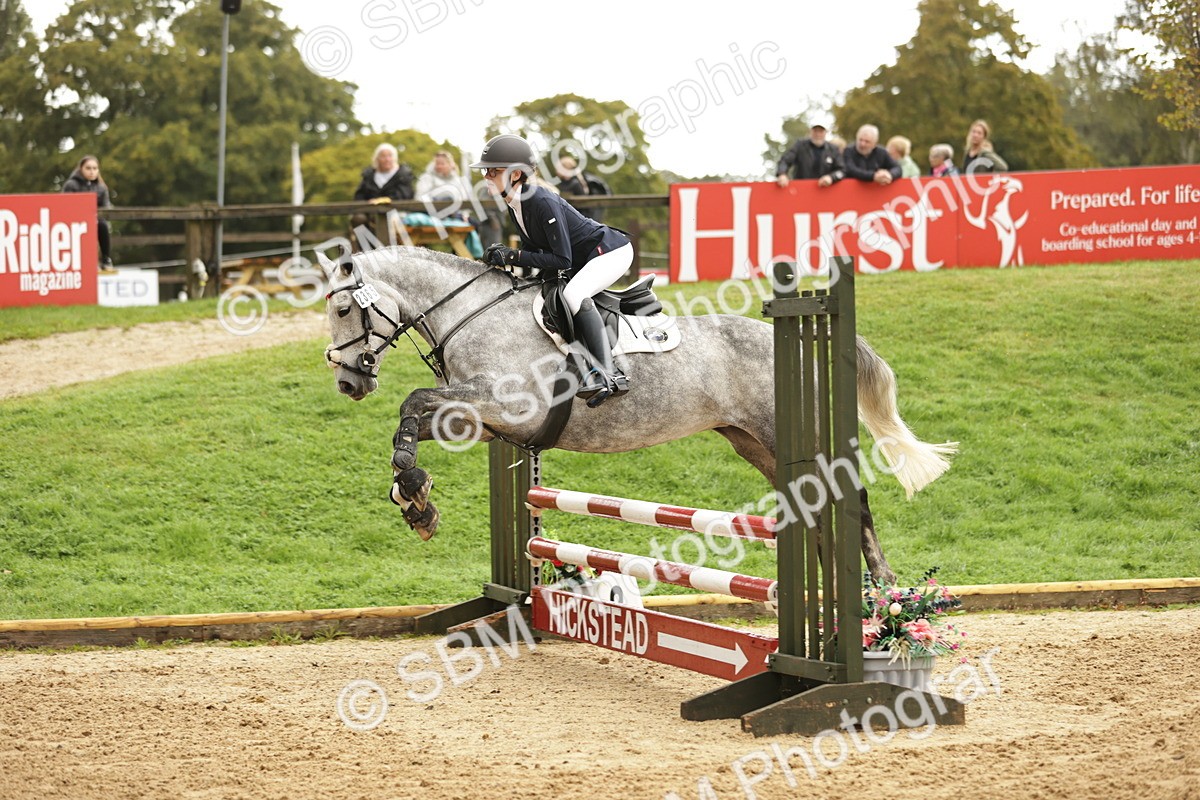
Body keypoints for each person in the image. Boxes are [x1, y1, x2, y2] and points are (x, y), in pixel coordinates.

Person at [472, 134, 631, 407]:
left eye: (493, 171)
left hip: (611, 252)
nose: (486, 175)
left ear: (516, 174)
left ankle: (609, 373)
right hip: (587, 257)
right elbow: (533, 248)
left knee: (574, 295)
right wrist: (504, 259)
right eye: (486, 170)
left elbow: (561, 260)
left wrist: (512, 254)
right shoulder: (515, 202)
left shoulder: (541, 200)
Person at [350, 143, 414, 246]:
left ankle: (387, 252)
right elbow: (359, 195)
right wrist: (367, 205)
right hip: (370, 212)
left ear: (394, 158)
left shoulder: (403, 175)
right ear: (377, 159)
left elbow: (404, 195)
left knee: (385, 219)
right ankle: (365, 250)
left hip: (396, 212)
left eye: (389, 156)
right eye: (383, 156)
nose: (387, 159)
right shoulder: (369, 176)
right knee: (358, 218)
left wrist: (381, 201)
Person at [61, 155, 113, 269]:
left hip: (96, 221)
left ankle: (106, 259)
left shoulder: (102, 188)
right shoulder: (71, 185)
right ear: (81, 169)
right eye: (88, 168)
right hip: (75, 222)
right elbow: (65, 207)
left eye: (95, 168)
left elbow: (106, 208)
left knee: (103, 225)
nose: (92, 171)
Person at [774, 122, 844, 188]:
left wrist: (831, 177)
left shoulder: (833, 150)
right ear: (810, 132)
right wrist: (782, 174)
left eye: (821, 131)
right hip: (801, 189)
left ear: (825, 133)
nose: (818, 134)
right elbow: (785, 160)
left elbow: (842, 170)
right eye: (815, 131)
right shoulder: (800, 146)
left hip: (825, 191)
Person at [555, 156, 611, 222]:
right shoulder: (565, 183)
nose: (557, 171)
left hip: (580, 220)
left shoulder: (575, 183)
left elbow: (584, 206)